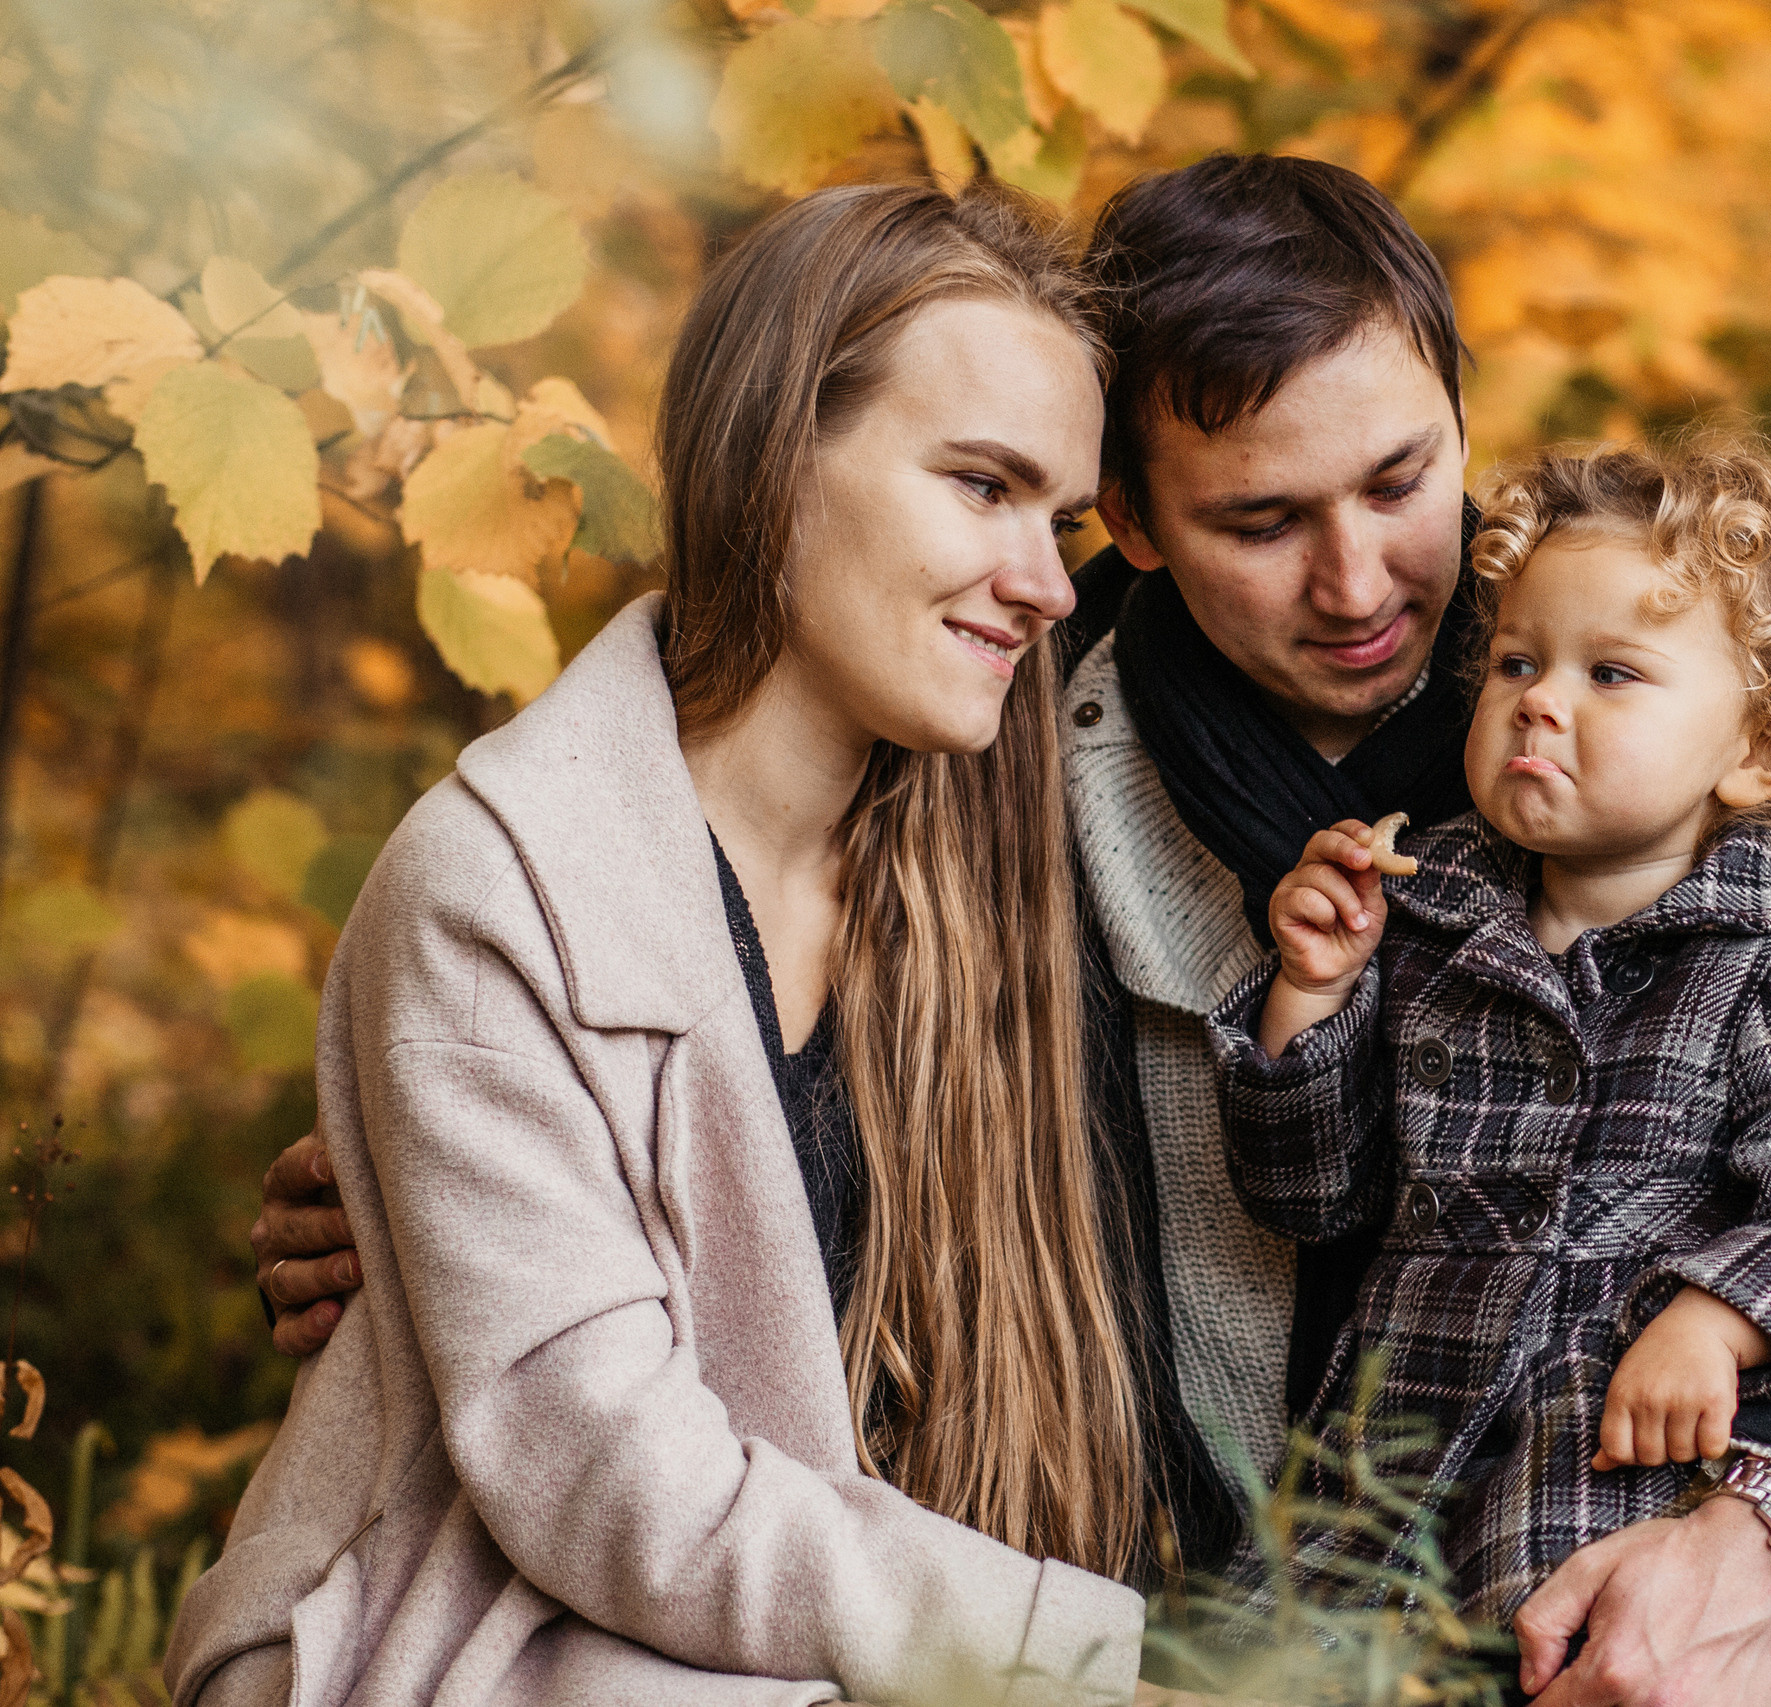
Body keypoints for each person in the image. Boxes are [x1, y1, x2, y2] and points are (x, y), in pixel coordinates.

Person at [252, 155, 1771, 1706]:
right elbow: (722, 1010)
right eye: (1259, 521)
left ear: (1461, 407)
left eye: (1400, 476)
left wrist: (1762, 1536)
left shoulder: (1643, 710)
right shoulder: (1002, 754)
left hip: (1742, 1583)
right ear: (1131, 519)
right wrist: (435, 1188)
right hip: (1314, 1616)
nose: (1365, 581)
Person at [170, 182, 1170, 1707]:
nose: (1046, 579)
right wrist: (1082, 1655)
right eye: (982, 486)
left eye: (1066, 520)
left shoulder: (988, 873)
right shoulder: (503, 886)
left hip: (789, 1639)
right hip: (480, 1644)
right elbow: (603, 1469)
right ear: (774, 463)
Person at [1210, 437, 1771, 1690]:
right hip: (1383, 1476)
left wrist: (1723, 1315)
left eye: (1613, 674)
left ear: (1755, 749)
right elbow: (1313, 1200)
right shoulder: (1430, 913)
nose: (1541, 699)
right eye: (1516, 662)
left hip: (1616, 1480)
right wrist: (1309, 998)